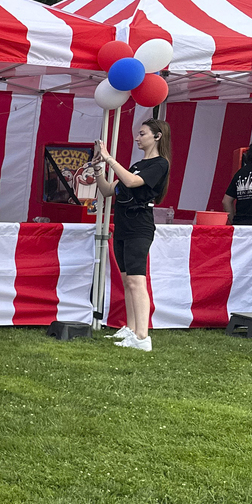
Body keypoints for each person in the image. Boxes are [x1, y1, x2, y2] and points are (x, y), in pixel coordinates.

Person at [94, 119, 171, 353]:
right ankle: (131, 328)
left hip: (140, 226)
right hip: (124, 225)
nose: (138, 138)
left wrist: (109, 159)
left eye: (142, 134)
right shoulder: (137, 164)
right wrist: (98, 170)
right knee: (128, 280)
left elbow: (131, 181)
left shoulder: (160, 164)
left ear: (157, 137)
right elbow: (109, 190)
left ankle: (142, 335)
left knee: (137, 280)